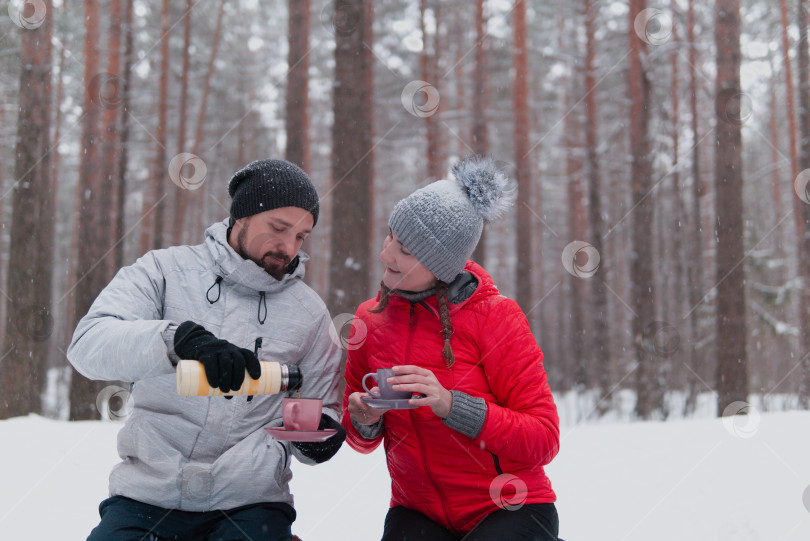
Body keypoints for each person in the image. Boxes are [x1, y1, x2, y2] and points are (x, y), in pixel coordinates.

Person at [68, 159, 346, 541]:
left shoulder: (309, 313)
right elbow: (88, 345)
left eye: (301, 236)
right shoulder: (164, 271)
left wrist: (318, 433)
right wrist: (175, 340)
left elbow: (322, 408)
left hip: (251, 504)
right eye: (279, 228)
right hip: (148, 497)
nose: (288, 247)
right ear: (241, 216)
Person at [342, 156, 561, 541]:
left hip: (510, 505)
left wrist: (451, 405)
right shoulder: (369, 320)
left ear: (441, 265)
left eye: (406, 251)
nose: (386, 254)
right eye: (390, 236)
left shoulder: (497, 318)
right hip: (417, 510)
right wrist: (363, 418)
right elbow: (360, 441)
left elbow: (543, 438)